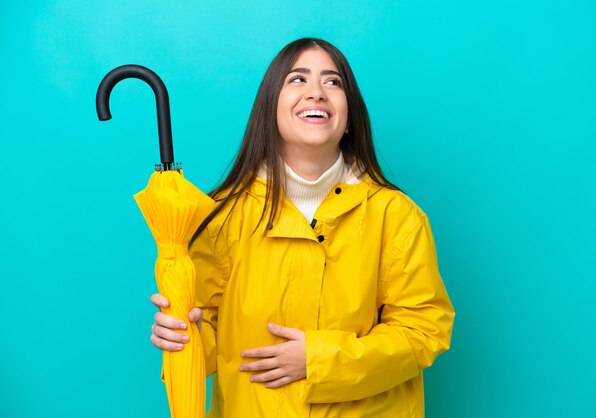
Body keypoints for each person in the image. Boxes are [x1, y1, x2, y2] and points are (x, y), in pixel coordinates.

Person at [150, 37, 454, 417]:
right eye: (297, 79)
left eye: (333, 82)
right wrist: (182, 338)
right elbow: (212, 345)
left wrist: (319, 359)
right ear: (270, 110)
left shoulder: (396, 216)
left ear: (349, 118)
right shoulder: (223, 215)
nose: (317, 92)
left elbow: (423, 331)